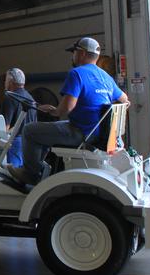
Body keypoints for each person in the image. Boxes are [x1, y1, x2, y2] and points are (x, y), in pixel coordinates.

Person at [14, 37, 128, 186]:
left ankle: (31, 174)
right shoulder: (105, 77)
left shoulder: (77, 73)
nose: (72, 56)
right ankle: (41, 169)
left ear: (81, 53)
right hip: (99, 134)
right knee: (47, 131)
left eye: (73, 52)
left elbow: (67, 108)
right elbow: (125, 100)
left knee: (30, 130)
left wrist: (54, 112)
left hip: (81, 132)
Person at [0, 67, 36, 168]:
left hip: (15, 143)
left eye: (6, 80)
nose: (5, 82)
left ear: (10, 81)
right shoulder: (30, 98)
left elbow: (4, 128)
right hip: (29, 142)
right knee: (23, 175)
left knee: (13, 176)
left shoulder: (10, 98)